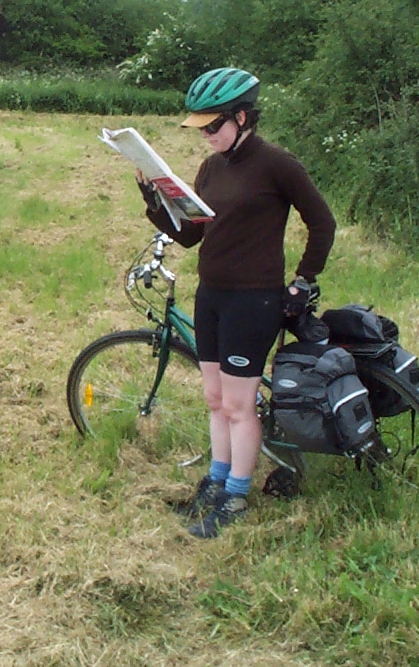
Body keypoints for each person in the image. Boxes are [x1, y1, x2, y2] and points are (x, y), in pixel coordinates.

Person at [137, 67, 335, 538]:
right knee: (214, 399)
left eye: (212, 125)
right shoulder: (211, 167)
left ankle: (237, 499)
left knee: (239, 406)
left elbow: (322, 223)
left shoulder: (277, 164)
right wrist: (154, 202)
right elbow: (189, 237)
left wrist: (303, 281)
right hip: (212, 294)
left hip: (254, 300)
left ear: (242, 117)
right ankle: (217, 482)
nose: (205, 135)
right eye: (200, 127)